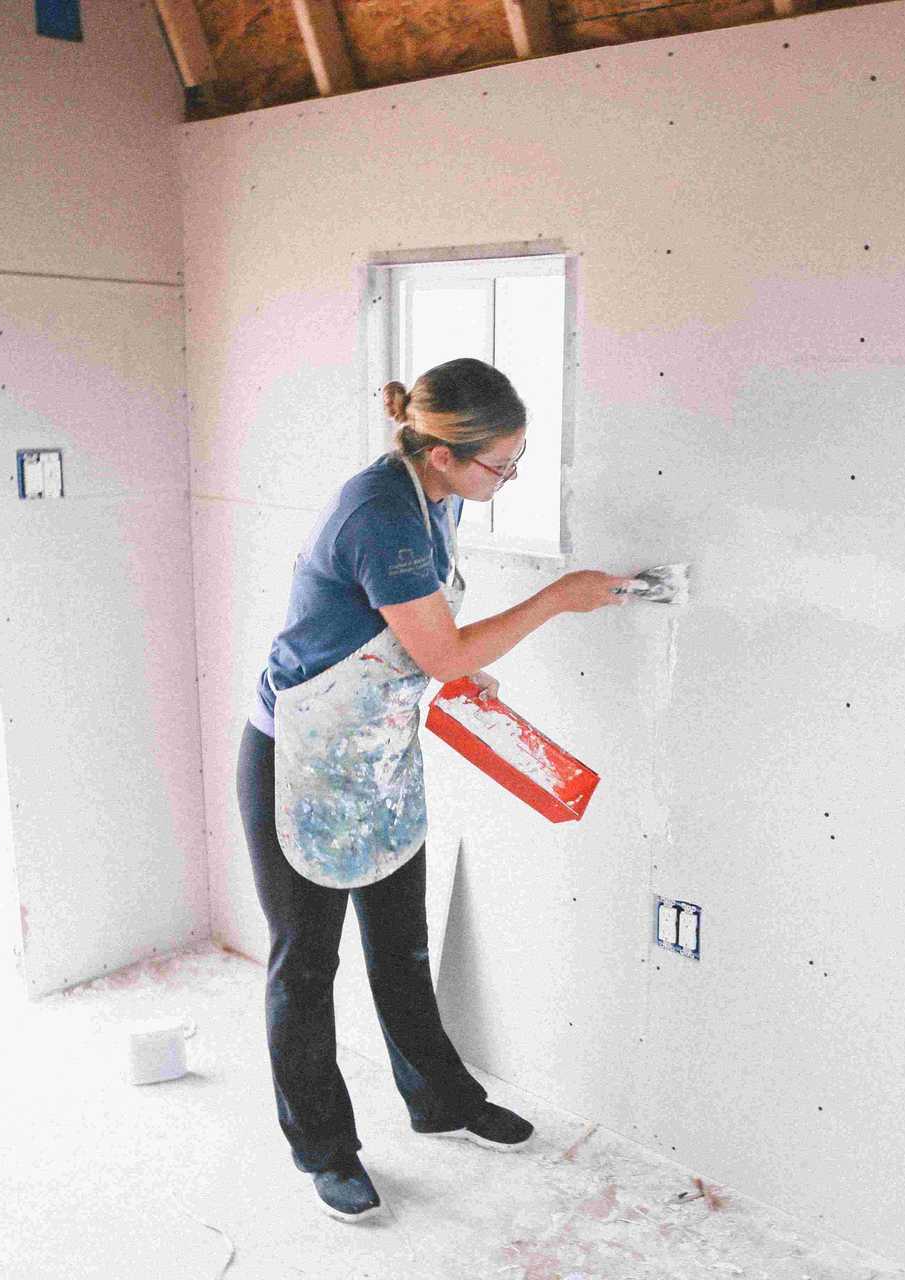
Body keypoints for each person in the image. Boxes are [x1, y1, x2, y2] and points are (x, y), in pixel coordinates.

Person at [235, 357, 628, 1222]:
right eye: (502, 464)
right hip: (299, 761)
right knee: (306, 967)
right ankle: (325, 1150)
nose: (510, 478)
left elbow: (413, 641)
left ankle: (439, 1098)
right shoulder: (382, 514)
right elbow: (444, 648)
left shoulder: (434, 497)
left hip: (375, 749)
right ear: (445, 452)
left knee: (401, 946)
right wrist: (558, 599)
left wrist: (449, 677)